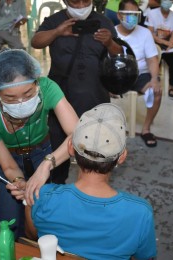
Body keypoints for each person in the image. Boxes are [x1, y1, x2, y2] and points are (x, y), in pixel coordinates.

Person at [24, 103, 157, 259]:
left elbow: (32, 237)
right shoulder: (141, 213)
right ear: (122, 157)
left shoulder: (41, 196)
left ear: (71, 148)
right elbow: (145, 257)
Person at [0, 49, 78, 238]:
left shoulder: (48, 88)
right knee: (8, 223)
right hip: (4, 158)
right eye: (10, 98)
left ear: (37, 83)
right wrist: (18, 181)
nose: (21, 102)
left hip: (42, 152)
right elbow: (7, 165)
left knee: (41, 213)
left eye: (28, 93)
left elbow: (77, 134)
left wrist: (46, 165)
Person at [30, 0, 122, 184]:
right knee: (57, 145)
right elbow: (36, 42)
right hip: (61, 98)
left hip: (95, 95)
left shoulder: (104, 22)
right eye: (74, 2)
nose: (80, 6)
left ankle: (92, 187)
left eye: (85, 1)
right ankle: (56, 185)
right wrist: (57, 32)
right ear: (65, 1)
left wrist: (109, 42)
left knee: (95, 150)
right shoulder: (55, 20)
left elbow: (119, 53)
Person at [115, 0, 161, 147]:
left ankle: (146, 129)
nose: (132, 18)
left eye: (135, 14)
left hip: (139, 75)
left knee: (156, 91)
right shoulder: (111, 32)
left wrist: (154, 79)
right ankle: (107, 127)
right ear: (119, 15)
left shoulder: (145, 33)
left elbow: (152, 59)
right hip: (117, 76)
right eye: (128, 14)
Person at [145, 0, 173, 100]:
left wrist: (171, 44)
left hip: (168, 47)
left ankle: (171, 87)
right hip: (155, 44)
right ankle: (153, 85)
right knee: (155, 62)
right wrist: (164, 43)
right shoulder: (152, 14)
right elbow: (150, 34)